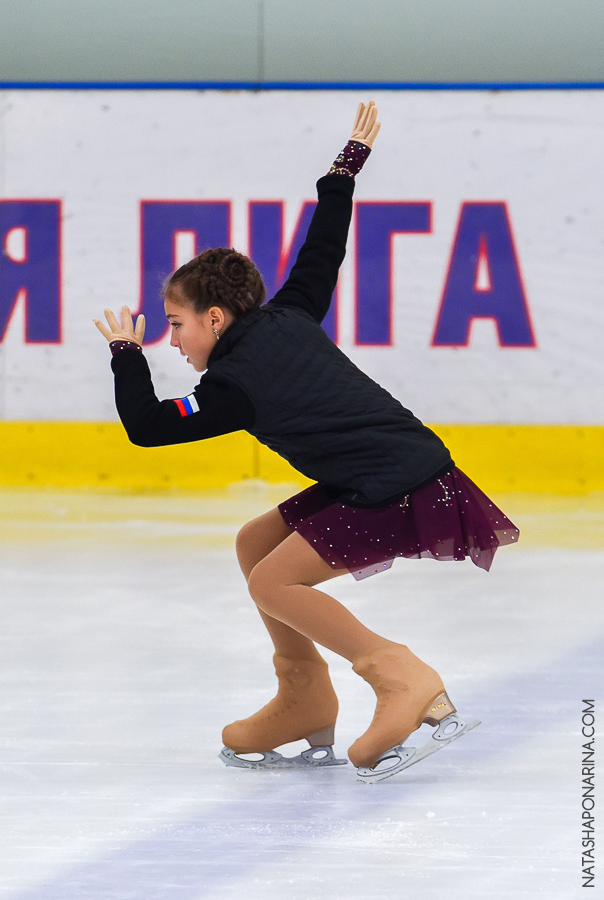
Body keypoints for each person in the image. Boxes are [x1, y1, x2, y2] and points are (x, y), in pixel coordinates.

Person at [94, 102, 519, 781]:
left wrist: (123, 355)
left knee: (273, 579)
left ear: (213, 316)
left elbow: (146, 429)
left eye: (175, 325)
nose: (169, 340)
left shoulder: (232, 388)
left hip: (396, 486)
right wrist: (345, 166)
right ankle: (303, 698)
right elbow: (325, 242)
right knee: (254, 544)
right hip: (396, 470)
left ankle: (400, 677)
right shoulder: (291, 310)